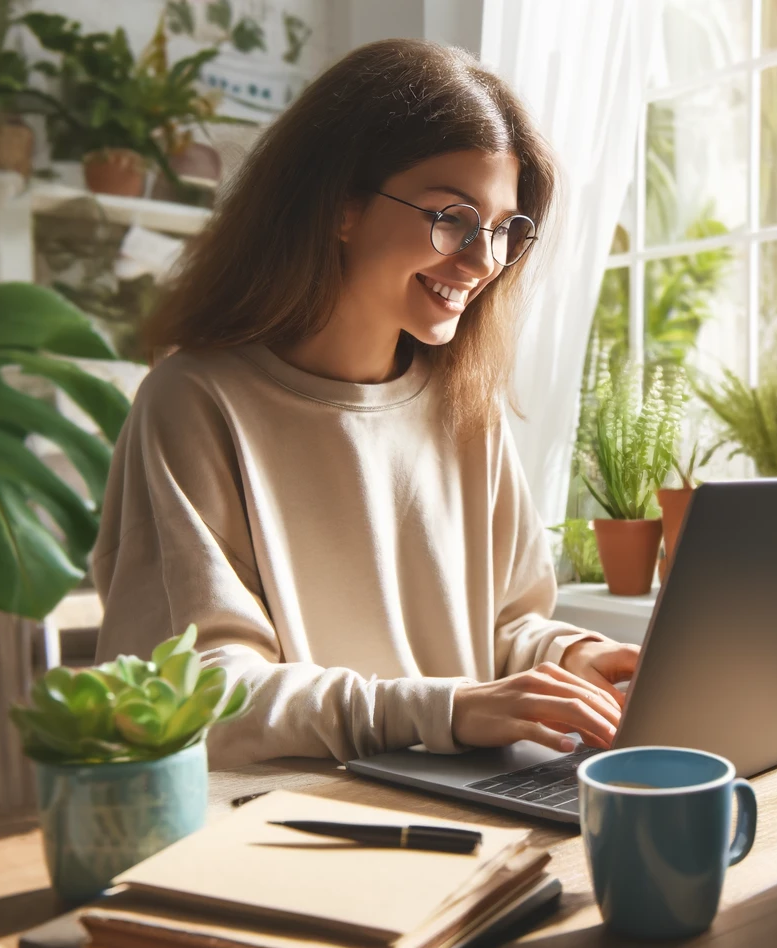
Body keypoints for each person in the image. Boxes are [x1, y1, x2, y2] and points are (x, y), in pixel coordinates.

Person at [92, 38, 639, 769]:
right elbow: (195, 696)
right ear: (342, 207)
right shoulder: (194, 403)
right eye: (453, 217)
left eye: (506, 229)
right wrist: (442, 709)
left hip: (469, 802)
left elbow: (508, 623)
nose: (484, 262)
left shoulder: (463, 407)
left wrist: (576, 658)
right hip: (293, 831)